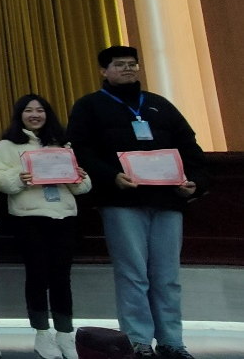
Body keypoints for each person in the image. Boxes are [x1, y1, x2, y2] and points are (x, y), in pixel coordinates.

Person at [66, 46, 208, 359]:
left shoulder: (160, 105)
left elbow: (190, 148)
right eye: (119, 65)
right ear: (103, 71)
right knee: (132, 274)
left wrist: (194, 183)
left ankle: (172, 341)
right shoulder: (89, 106)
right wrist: (112, 177)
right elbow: (81, 150)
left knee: (167, 277)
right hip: (122, 202)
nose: (128, 69)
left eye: (132, 64)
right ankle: (138, 340)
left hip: (168, 201)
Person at [0, 95, 90, 359]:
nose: (34, 115)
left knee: (61, 276)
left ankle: (65, 333)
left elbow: (82, 187)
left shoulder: (62, 144)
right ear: (19, 115)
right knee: (37, 274)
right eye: (28, 110)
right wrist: (20, 178)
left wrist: (78, 177)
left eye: (40, 110)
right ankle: (42, 333)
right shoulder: (7, 146)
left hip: (64, 215)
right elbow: (1, 181)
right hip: (29, 217)